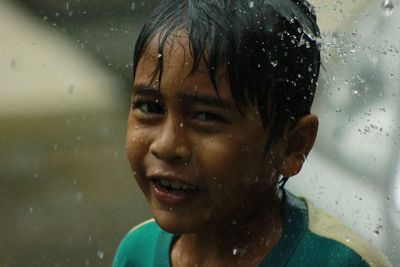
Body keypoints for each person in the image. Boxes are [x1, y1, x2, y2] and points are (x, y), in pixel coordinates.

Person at [113, 0, 392, 266]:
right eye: (150, 107)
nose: (167, 146)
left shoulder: (339, 263)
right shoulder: (137, 252)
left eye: (207, 116)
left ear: (292, 145)